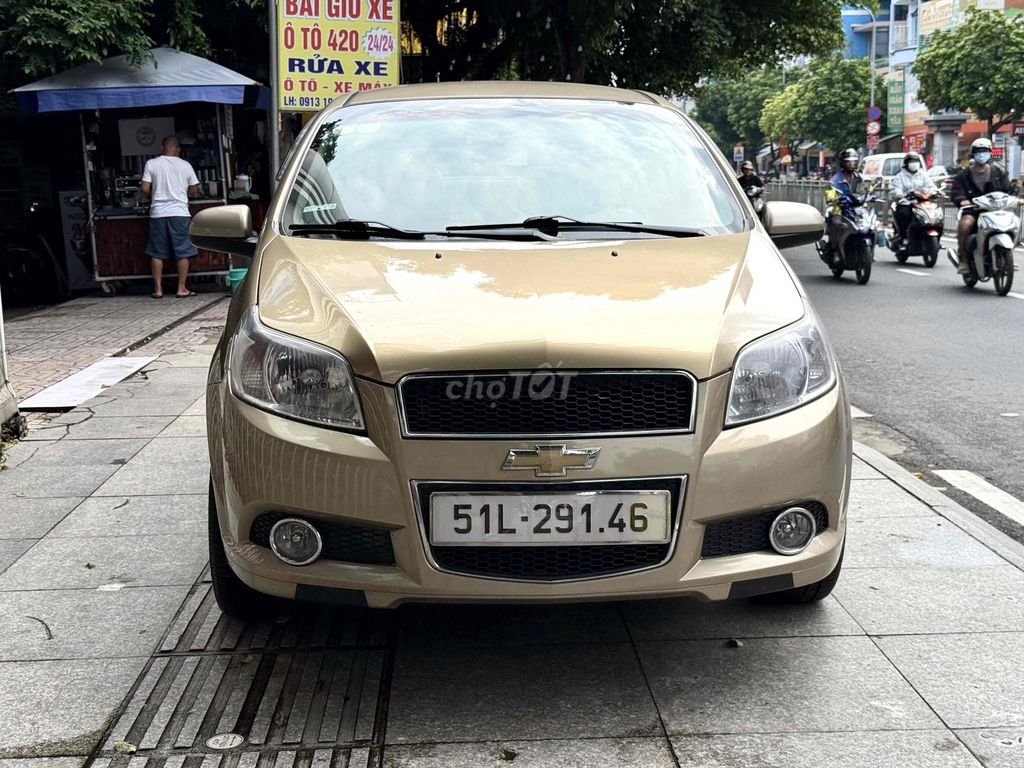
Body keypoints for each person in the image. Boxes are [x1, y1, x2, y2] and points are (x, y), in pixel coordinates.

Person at [141, 136, 200, 297]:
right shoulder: (185, 165)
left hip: (158, 213)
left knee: (157, 252)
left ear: (162, 147)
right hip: (180, 213)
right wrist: (184, 191)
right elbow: (194, 190)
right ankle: (181, 289)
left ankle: (158, 289)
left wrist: (154, 193)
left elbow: (145, 188)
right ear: (178, 149)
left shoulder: (151, 164)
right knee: (182, 251)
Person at [951, 138, 1011, 274]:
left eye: (985, 151)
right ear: (973, 154)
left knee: (1012, 223)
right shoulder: (964, 175)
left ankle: (1007, 256)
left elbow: (1007, 189)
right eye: (978, 151)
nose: (982, 154)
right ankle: (963, 259)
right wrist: (962, 200)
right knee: (965, 224)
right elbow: (957, 191)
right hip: (973, 211)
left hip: (994, 210)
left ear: (990, 153)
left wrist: (1016, 199)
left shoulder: (999, 173)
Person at [822, 148, 863, 265]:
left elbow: (865, 190)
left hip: (856, 208)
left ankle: (869, 249)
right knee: (837, 224)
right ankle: (835, 251)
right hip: (840, 209)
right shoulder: (836, 179)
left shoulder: (859, 178)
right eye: (848, 161)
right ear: (843, 163)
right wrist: (831, 198)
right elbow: (830, 190)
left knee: (870, 223)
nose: (851, 164)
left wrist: (870, 194)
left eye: (854, 161)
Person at [889, 152, 937, 248]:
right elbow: (895, 189)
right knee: (904, 214)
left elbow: (931, 186)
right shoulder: (900, 176)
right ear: (906, 163)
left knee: (935, 215)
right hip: (906, 203)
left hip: (922, 203)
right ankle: (903, 237)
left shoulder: (923, 175)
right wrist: (899, 194)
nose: (914, 163)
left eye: (916, 161)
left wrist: (936, 192)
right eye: (911, 161)